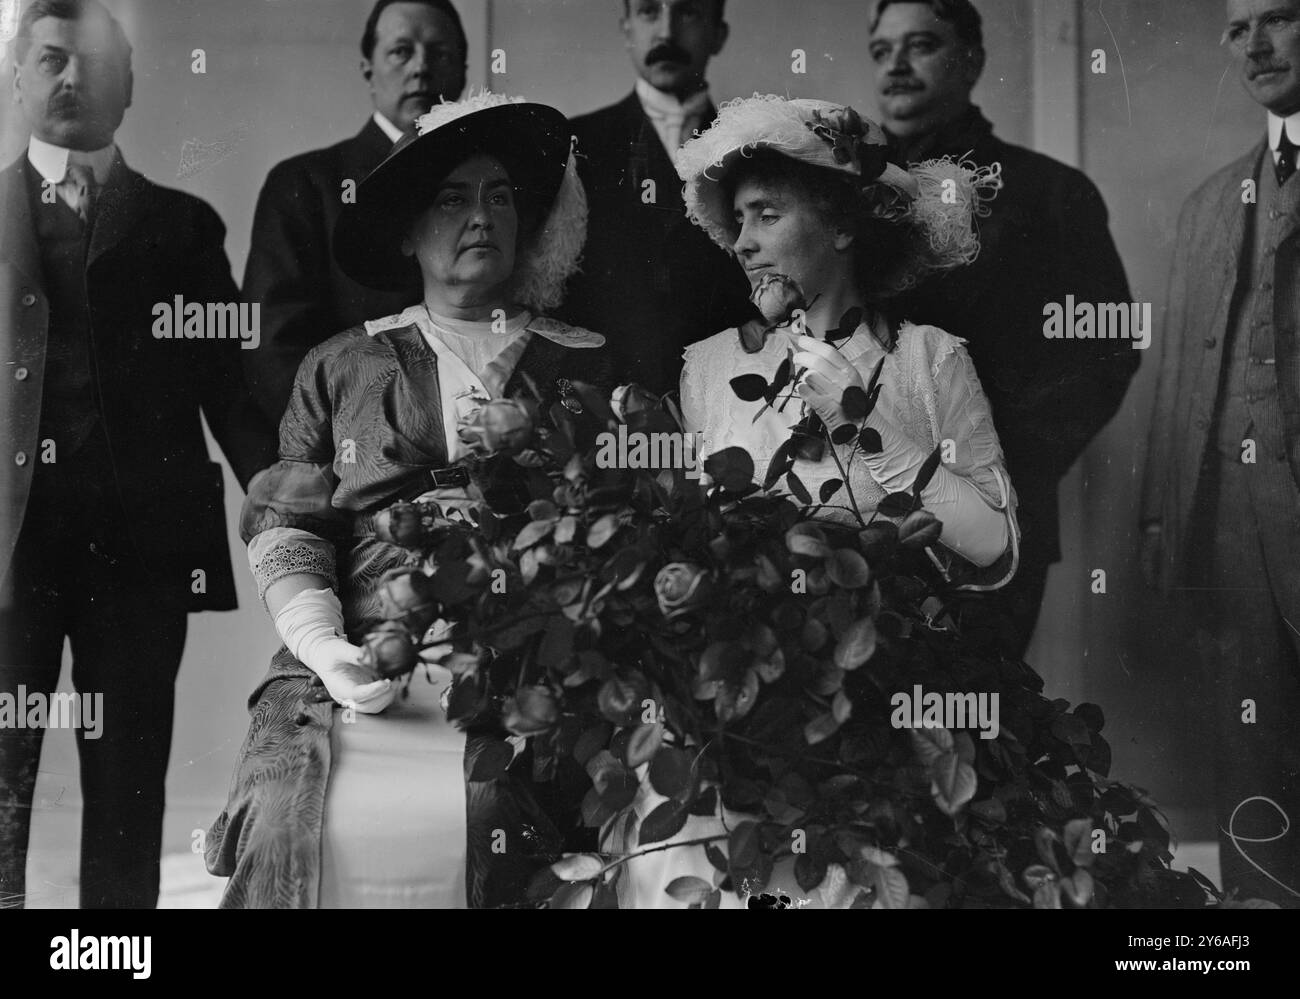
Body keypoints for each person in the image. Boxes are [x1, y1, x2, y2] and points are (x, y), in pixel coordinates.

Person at [603, 94, 1018, 908]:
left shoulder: (927, 360)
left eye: (767, 213)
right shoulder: (709, 366)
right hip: (739, 723)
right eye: (738, 220)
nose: (745, 241)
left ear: (843, 226)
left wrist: (879, 437)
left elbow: (995, 549)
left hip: (886, 714)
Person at [205, 92, 616, 909]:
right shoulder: (341, 366)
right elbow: (291, 527)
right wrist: (325, 649)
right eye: (452, 197)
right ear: (405, 229)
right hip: (364, 664)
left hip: (532, 665)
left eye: (500, 195)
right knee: (291, 818)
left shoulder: (591, 368)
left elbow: (627, 527)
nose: (481, 215)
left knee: (501, 816)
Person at [0, 0, 276, 908]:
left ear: (127, 87)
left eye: (89, 63)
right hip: (9, 556)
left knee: (127, 788)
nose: (69, 79)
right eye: (48, 60)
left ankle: (113, 960)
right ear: (15, 77)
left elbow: (228, 388)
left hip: (140, 556)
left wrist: (281, 499)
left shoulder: (179, 224)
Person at [867, 0, 1138, 658]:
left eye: (921, 45)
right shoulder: (841, 195)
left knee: (976, 734)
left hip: (990, 520)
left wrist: (987, 474)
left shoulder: (1049, 193)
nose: (896, 66)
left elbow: (1102, 354)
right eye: (882, 50)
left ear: (972, 61)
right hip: (856, 520)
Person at [1140, 0, 1300, 907]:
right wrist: (1167, 531)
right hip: (1231, 527)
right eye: (1239, 29)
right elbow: (1179, 386)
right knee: (1253, 758)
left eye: (1280, 18)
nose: (1257, 47)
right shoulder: (1209, 205)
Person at [241, 0, 469, 426]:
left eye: (439, 54)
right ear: (368, 67)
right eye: (401, 51)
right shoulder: (306, 184)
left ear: (463, 71)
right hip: (351, 455)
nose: (421, 68)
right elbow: (273, 347)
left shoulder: (491, 188)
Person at [558, 0, 752, 395]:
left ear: (719, 35)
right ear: (627, 29)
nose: (666, 33)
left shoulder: (754, 152)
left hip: (729, 398)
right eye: (649, 11)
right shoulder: (576, 146)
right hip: (605, 405)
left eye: (689, 12)